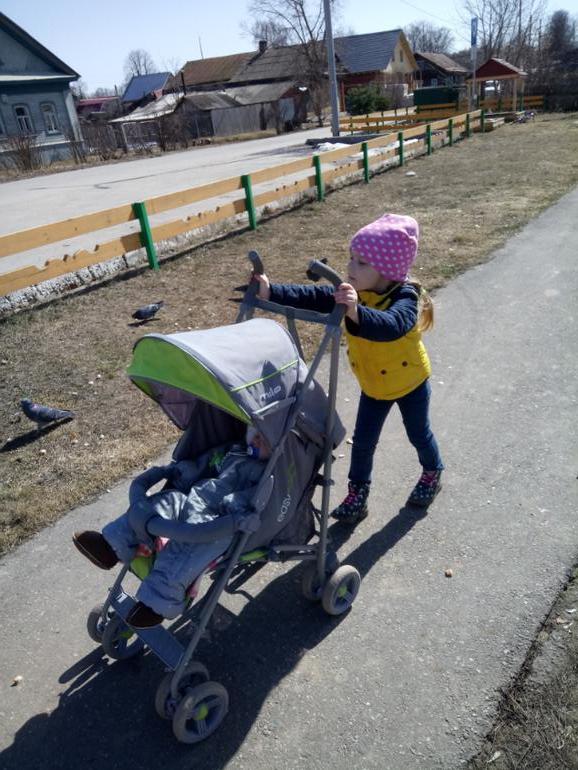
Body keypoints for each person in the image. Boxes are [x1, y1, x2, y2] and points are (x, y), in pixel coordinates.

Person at [254, 213, 443, 524]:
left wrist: (355, 311)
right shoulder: (354, 291)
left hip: (411, 383)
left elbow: (391, 325)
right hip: (374, 387)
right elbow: (314, 296)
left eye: (362, 262)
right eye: (351, 258)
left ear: (387, 270)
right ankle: (357, 496)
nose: (351, 267)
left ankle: (432, 472)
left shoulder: (405, 297)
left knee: (418, 433)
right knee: (363, 443)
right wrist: (270, 291)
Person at [73, 426, 270, 628]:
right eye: (255, 435)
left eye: (264, 441)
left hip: (221, 522)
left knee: (187, 549)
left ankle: (156, 603)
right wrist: (187, 470)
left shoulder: (267, 474)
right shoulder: (233, 450)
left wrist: (237, 510)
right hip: (193, 498)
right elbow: (207, 462)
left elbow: (255, 500)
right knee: (164, 501)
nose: (257, 441)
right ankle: (110, 545)